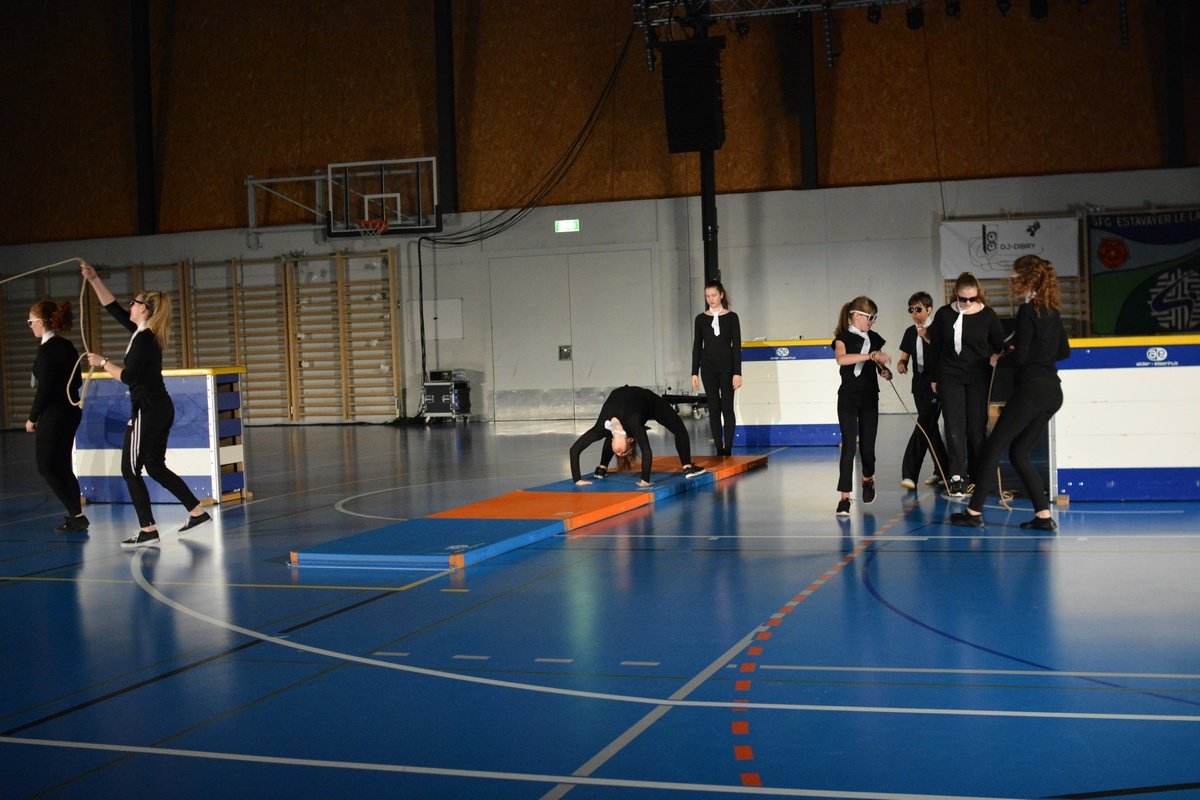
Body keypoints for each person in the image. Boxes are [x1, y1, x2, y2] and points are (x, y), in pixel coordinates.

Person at [81, 261, 210, 547]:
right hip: (158, 408)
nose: (130, 305)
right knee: (154, 466)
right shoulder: (141, 333)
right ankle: (197, 511)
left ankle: (148, 529)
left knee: (130, 470)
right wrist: (94, 279)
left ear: (145, 309)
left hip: (148, 411)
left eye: (134, 303)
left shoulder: (145, 341)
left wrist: (103, 362)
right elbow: (112, 307)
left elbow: (128, 377)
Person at [951, 256, 1071, 531]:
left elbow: (1021, 357)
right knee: (1018, 452)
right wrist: (1035, 352)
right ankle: (1043, 516)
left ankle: (973, 512)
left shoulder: (1028, 311)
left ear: (1028, 279)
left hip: (1032, 389)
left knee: (993, 447)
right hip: (1053, 391)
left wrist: (1000, 358)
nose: (1012, 281)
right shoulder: (1052, 312)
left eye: (1015, 277)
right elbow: (1064, 351)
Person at [927, 272, 1005, 498]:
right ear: (956, 295)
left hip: (978, 375)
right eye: (963, 299)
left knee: (976, 429)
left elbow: (999, 344)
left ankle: (979, 475)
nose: (968, 303)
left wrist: (996, 356)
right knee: (954, 427)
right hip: (949, 374)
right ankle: (957, 477)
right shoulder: (944, 314)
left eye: (972, 298)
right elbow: (935, 347)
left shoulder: (988, 315)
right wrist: (933, 377)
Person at [26, 300, 87, 532]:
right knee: (62, 465)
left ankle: (76, 515)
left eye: (31, 322)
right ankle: (77, 515)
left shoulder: (47, 350)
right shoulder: (67, 346)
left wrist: (33, 418)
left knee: (47, 466)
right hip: (71, 412)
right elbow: (77, 380)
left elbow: (44, 389)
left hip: (54, 414)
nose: (30, 326)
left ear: (41, 323)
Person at [570, 385, 706, 486]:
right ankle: (603, 467)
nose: (619, 453)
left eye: (619, 453)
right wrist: (644, 480)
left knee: (679, 429)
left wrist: (577, 479)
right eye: (624, 452)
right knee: (611, 432)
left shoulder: (605, 427)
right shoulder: (633, 425)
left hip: (652, 403)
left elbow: (574, 450)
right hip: (635, 401)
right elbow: (646, 451)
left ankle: (687, 467)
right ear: (630, 440)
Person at [831, 297, 892, 516]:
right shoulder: (842, 338)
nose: (872, 322)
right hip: (848, 398)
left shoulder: (874, 338)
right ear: (857, 315)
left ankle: (868, 478)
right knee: (849, 447)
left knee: (867, 446)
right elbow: (841, 359)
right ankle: (844, 498)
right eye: (870, 318)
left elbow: (879, 362)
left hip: (869, 398)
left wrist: (884, 369)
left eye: (875, 318)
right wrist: (869, 355)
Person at [896, 292, 948, 490]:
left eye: (918, 309)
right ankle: (943, 471)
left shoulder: (938, 329)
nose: (914, 313)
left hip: (936, 385)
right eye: (911, 310)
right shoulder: (910, 332)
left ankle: (909, 474)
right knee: (931, 430)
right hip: (918, 386)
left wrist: (927, 336)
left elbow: (943, 352)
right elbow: (904, 356)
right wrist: (901, 364)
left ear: (929, 309)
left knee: (924, 425)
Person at [690, 279, 742, 456]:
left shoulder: (732, 317)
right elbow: (697, 346)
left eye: (714, 295)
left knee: (727, 407)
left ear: (721, 295)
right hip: (708, 368)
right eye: (707, 296)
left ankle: (728, 448)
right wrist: (694, 372)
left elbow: (736, 347)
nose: (711, 299)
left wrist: (737, 372)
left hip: (727, 368)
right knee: (714, 408)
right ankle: (719, 448)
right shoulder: (700, 319)